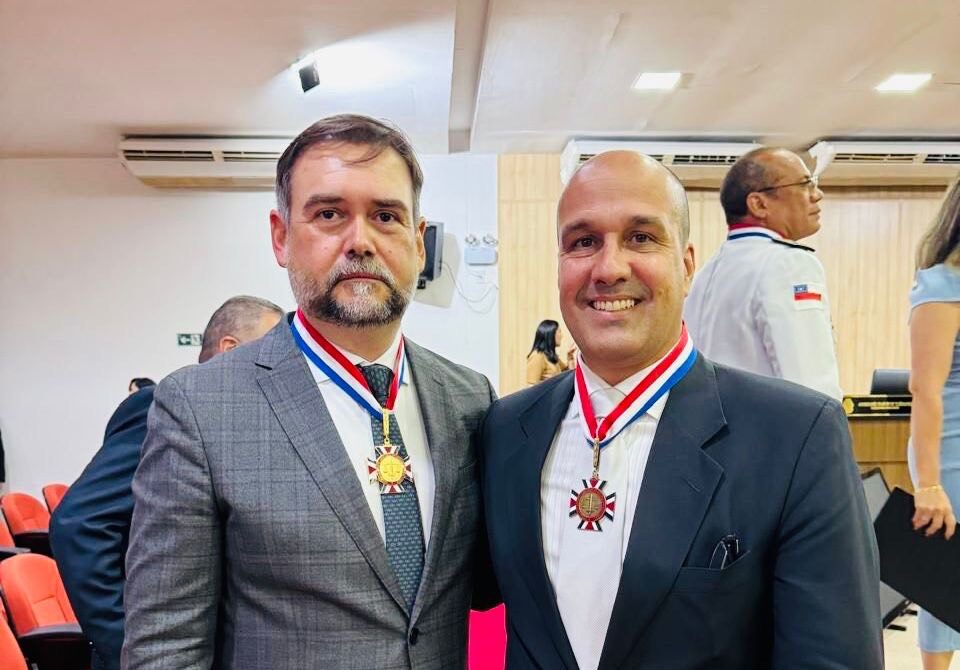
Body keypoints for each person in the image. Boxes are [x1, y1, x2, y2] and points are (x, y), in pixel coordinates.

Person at [121, 115, 499, 670]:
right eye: (329, 214)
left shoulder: (469, 398)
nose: (360, 242)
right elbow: (165, 647)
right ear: (281, 237)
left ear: (419, 244)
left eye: (386, 216)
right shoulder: (201, 408)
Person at [480, 151, 882, 669]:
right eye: (583, 242)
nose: (609, 268)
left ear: (687, 265)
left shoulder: (797, 438)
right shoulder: (507, 429)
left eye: (641, 237)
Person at [49, 295, 283, 670]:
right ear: (230, 349)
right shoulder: (167, 407)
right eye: (270, 348)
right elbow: (78, 524)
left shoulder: (232, 421)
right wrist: (128, 644)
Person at [684, 147, 842, 399]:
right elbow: (811, 387)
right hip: (771, 424)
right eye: (805, 184)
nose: (817, 194)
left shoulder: (706, 273)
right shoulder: (789, 264)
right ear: (759, 204)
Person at [907, 178, 960, 670]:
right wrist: (929, 483)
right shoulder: (944, 282)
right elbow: (925, 387)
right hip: (950, 454)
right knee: (947, 579)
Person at [526, 319, 571, 385]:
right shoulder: (537, 356)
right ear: (551, 334)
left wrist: (570, 358)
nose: (561, 336)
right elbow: (531, 386)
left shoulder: (551, 356)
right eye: (559, 332)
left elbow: (568, 373)